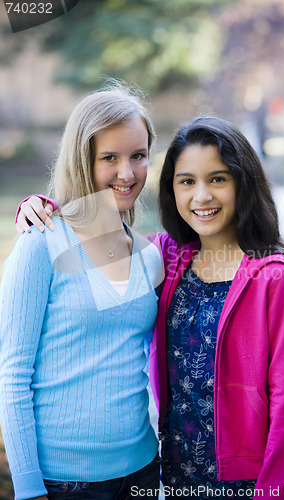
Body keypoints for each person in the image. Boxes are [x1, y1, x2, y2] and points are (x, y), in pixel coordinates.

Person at [15, 117, 284, 500]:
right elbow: (96, 235)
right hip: (175, 474)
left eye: (218, 179)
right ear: (171, 189)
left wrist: (274, 492)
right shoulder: (165, 257)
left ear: (243, 182)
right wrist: (43, 207)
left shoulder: (271, 277)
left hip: (247, 481)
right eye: (187, 181)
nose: (201, 196)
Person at [0, 82, 163, 500]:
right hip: (64, 484)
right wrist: (28, 487)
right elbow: (13, 376)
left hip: (143, 473)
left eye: (138, 156)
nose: (127, 173)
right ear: (82, 159)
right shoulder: (41, 242)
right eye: (109, 157)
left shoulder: (149, 256)